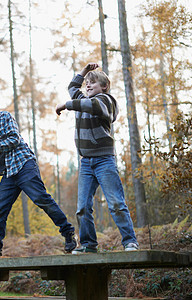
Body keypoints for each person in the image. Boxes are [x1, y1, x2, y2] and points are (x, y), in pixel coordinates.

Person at [0, 89, 77, 258]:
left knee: (41, 198)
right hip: (9, 173)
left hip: (24, 165)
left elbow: (14, 139)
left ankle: (68, 232)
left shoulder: (5, 118)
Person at [55, 62, 139, 253]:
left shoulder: (106, 101)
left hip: (104, 160)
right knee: (82, 208)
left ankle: (130, 241)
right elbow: (72, 88)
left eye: (93, 83)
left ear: (104, 86)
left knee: (116, 203)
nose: (88, 85)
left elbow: (90, 105)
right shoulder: (84, 100)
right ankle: (88, 244)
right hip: (86, 163)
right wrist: (84, 71)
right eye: (87, 83)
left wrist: (67, 105)